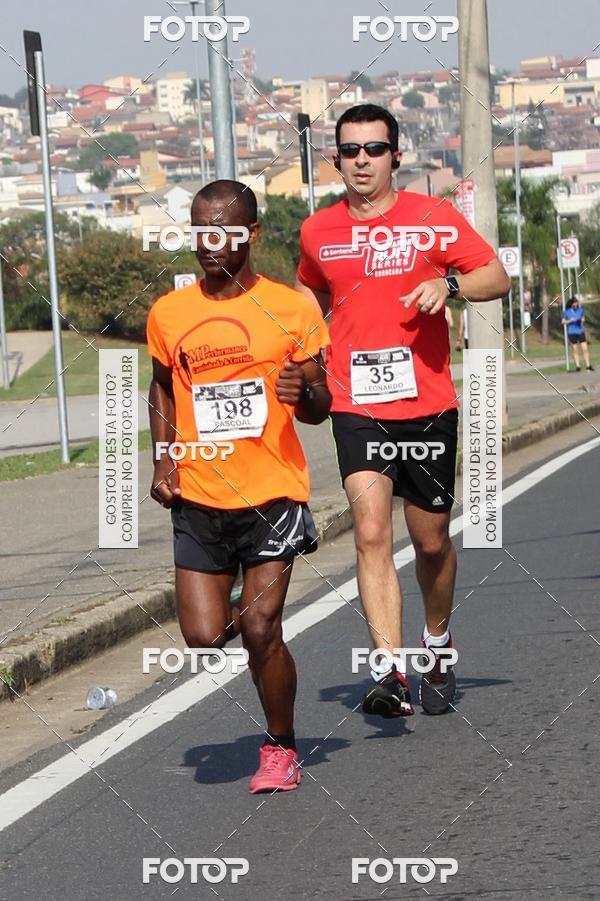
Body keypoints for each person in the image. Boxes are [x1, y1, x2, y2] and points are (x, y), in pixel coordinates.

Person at [295, 104, 510, 717]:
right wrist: (312, 344)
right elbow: (308, 286)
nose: (362, 160)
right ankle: (389, 670)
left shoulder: (433, 218)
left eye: (374, 149)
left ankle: (436, 638)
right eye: (350, 150)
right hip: (356, 402)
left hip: (427, 402)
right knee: (370, 532)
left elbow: (496, 275)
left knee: (432, 540)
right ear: (336, 159)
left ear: (396, 155)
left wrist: (448, 286)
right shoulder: (318, 230)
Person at [146, 180, 331, 792]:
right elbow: (162, 388)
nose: (210, 243)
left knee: (260, 630)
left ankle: (280, 747)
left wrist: (303, 392)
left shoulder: (293, 309)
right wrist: (164, 460)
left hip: (273, 490)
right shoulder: (170, 313)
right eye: (200, 230)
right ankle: (251, 617)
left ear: (251, 234)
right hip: (200, 493)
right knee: (202, 635)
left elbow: (321, 404)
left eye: (224, 230)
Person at [561, 296, 594, 371]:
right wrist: (570, 320)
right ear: (571, 304)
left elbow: (583, 318)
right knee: (575, 349)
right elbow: (563, 322)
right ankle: (578, 366)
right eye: (574, 304)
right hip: (571, 333)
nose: (575, 305)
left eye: (576, 303)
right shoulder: (566, 312)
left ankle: (588, 365)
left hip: (580, 331)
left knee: (585, 349)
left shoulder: (581, 310)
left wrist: (581, 319)